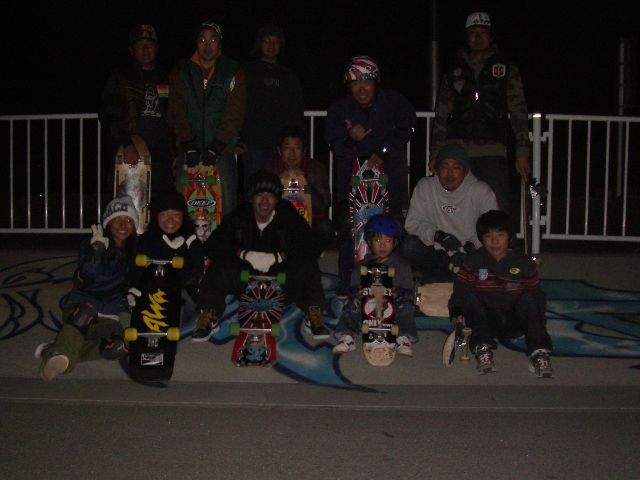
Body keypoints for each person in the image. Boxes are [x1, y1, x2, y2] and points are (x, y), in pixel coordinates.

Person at [193, 170, 330, 342]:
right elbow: (212, 245)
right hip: (246, 279)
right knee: (219, 265)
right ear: (251, 199)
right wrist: (242, 253)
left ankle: (313, 312)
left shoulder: (288, 214)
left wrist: (281, 256)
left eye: (270, 196)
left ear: (277, 199)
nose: (265, 201)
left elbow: (312, 245)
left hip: (281, 280)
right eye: (259, 195)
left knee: (307, 264)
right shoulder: (239, 215)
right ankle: (208, 313)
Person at [325, 55, 416, 296]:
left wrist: (383, 152)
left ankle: (395, 286)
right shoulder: (339, 109)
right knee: (348, 231)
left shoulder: (393, 101)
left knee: (390, 230)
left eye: (367, 82)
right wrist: (351, 139)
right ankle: (349, 285)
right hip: (351, 182)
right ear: (348, 84)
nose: (362, 88)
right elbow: (335, 146)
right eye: (356, 83)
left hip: (388, 180)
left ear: (376, 82)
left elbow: (408, 127)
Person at [430, 11, 531, 216]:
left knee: (496, 204)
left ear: (490, 36)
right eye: (473, 33)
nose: (477, 37)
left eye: (483, 32)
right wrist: (436, 152)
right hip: (457, 148)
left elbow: (519, 112)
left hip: (493, 148)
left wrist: (522, 152)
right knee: (455, 205)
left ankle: (501, 238)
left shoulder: (506, 68)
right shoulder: (454, 69)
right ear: (466, 37)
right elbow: (441, 114)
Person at [34, 196, 139, 381]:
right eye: (117, 219)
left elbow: (131, 280)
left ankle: (53, 349)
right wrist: (96, 254)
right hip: (81, 308)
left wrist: (131, 292)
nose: (123, 225)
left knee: (119, 346)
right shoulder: (91, 243)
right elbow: (87, 279)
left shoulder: (133, 253)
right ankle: (61, 358)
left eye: (129, 220)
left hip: (109, 318)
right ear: (108, 222)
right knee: (85, 313)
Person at [447, 209, 553, 377]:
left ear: (510, 237)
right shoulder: (472, 261)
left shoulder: (524, 263)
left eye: (500, 235)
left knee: (530, 297)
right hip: (484, 322)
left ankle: (539, 352)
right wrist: (456, 314)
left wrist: (539, 322)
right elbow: (460, 292)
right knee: (470, 297)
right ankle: (483, 349)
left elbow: (537, 297)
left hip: (515, 321)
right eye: (488, 236)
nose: (494, 241)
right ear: (481, 238)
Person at [167, 20, 246, 215]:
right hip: (188, 151)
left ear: (220, 44)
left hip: (222, 150)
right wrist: (188, 144)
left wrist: (216, 147)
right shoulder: (181, 71)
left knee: (227, 204)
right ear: (196, 42)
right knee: (182, 205)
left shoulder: (233, 71)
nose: (207, 45)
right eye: (202, 39)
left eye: (213, 40)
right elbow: (176, 110)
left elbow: (235, 113)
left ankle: (227, 235)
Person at [400, 143, 498, 282]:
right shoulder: (425, 187)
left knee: (488, 257)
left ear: (465, 171)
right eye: (444, 167)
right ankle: (452, 277)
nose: (450, 173)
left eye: (456, 168)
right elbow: (412, 224)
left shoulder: (481, 191)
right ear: (437, 169)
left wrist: (468, 249)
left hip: (468, 254)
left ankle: (443, 277)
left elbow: (492, 229)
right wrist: (438, 236)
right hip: (436, 252)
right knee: (408, 246)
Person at [100, 24, 175, 197]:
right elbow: (109, 114)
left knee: (162, 205)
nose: (146, 49)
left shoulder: (169, 77)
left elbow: (177, 116)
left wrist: (177, 152)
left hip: (163, 156)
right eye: (140, 45)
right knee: (128, 206)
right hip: (131, 153)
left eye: (149, 44)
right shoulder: (121, 76)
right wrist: (126, 143)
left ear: (157, 48)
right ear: (131, 50)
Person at [333, 214, 417, 357]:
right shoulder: (362, 265)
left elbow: (410, 291)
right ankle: (348, 335)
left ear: (395, 243)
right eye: (378, 240)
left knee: (406, 304)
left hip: (392, 306)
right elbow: (352, 288)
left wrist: (399, 292)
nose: (382, 245)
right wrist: (357, 292)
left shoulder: (402, 266)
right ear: (369, 242)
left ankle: (403, 337)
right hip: (368, 306)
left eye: (388, 240)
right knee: (351, 303)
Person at [238, 24, 305, 190]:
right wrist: (238, 138)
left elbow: (297, 110)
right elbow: (236, 107)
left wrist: (300, 141)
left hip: (283, 146)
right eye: (267, 41)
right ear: (260, 44)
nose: (271, 45)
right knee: (254, 189)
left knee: (283, 188)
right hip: (253, 144)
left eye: (275, 42)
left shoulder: (289, 76)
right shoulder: (246, 72)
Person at [127, 189, 205, 314]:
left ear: (183, 217)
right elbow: (134, 271)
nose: (170, 220)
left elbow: (196, 273)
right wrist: (131, 289)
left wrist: (179, 252)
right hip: (150, 299)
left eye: (176, 215)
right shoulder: (146, 240)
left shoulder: (190, 241)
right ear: (156, 217)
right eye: (164, 214)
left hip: (181, 299)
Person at [265, 125, 333, 258]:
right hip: (278, 220)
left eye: (296, 147)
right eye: (287, 147)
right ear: (279, 150)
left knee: (326, 227)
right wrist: (278, 182)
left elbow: (323, 205)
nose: (291, 153)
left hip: (309, 220)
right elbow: (262, 204)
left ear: (304, 150)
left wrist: (305, 183)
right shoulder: (270, 168)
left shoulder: (315, 168)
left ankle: (308, 257)